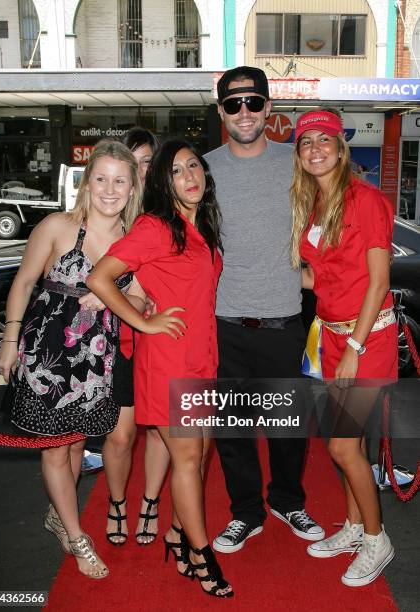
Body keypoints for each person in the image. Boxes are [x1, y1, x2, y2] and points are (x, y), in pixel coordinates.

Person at [87, 139, 233, 598]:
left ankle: (177, 535)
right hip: (169, 359)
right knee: (189, 459)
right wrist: (143, 322)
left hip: (202, 357)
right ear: (161, 183)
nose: (189, 176)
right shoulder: (155, 227)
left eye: (194, 166)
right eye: (175, 171)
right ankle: (202, 554)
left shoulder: (202, 226)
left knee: (200, 457)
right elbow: (99, 277)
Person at [0, 139, 143, 579]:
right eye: (101, 179)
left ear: (133, 187)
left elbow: (142, 297)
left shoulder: (135, 238)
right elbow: (23, 283)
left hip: (98, 360)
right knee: (58, 448)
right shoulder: (58, 227)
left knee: (78, 442)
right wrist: (9, 339)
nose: (110, 189)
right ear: (86, 184)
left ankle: (60, 515)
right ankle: (78, 539)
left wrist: (117, 298)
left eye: (120, 180)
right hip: (49, 357)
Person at [204, 65, 323, 554]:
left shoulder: (296, 162)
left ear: (268, 108)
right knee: (231, 430)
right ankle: (246, 512)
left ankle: (288, 500)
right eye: (233, 104)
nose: (244, 112)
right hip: (223, 321)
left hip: (283, 319)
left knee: (287, 427)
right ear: (221, 112)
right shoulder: (202, 168)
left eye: (254, 102)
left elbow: (334, 216)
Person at [291, 108, 397, 586]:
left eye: (324, 139)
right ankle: (355, 527)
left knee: (340, 446)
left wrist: (355, 344)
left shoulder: (366, 200)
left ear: (340, 146)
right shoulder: (314, 207)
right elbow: (318, 279)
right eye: (306, 141)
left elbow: (379, 282)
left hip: (365, 338)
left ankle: (377, 539)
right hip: (330, 337)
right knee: (347, 442)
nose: (315, 148)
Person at [104, 127, 170, 546]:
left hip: (159, 336)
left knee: (163, 430)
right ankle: (116, 503)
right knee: (121, 434)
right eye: (133, 161)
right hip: (114, 339)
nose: (140, 169)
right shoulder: (108, 213)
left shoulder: (168, 210)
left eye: (148, 161)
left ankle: (149, 502)